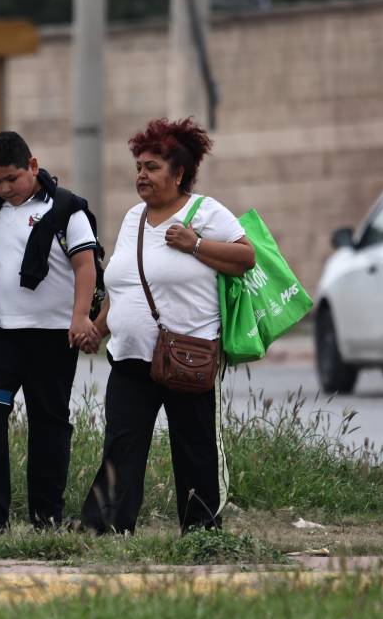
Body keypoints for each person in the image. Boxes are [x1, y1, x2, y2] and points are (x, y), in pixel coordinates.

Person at [76, 118, 254, 535]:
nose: (142, 175)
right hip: (130, 356)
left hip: (188, 355)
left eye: (152, 167)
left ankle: (201, 532)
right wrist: (99, 328)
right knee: (122, 445)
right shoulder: (133, 219)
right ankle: (106, 528)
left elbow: (246, 258)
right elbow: (123, 284)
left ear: (178, 174)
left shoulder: (206, 212)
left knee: (193, 448)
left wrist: (194, 244)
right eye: (139, 166)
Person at [0, 131, 101, 532]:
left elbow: (85, 265)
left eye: (11, 179)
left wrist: (80, 317)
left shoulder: (67, 209)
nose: (3, 189)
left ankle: (46, 516)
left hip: (51, 337)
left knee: (49, 425)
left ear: (33, 166)